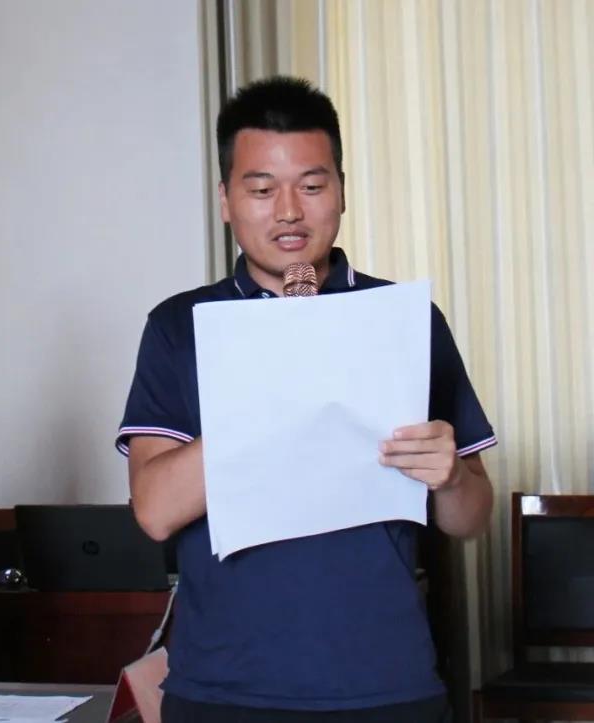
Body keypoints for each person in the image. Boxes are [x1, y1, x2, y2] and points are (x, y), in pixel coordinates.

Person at [117, 77, 495, 722]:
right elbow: (155, 512)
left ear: (341, 191)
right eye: (262, 190)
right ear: (226, 200)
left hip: (388, 681)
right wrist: (277, 378)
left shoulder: (402, 319)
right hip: (223, 687)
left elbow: (471, 517)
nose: (289, 211)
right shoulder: (180, 326)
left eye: (312, 186)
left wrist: (452, 475)